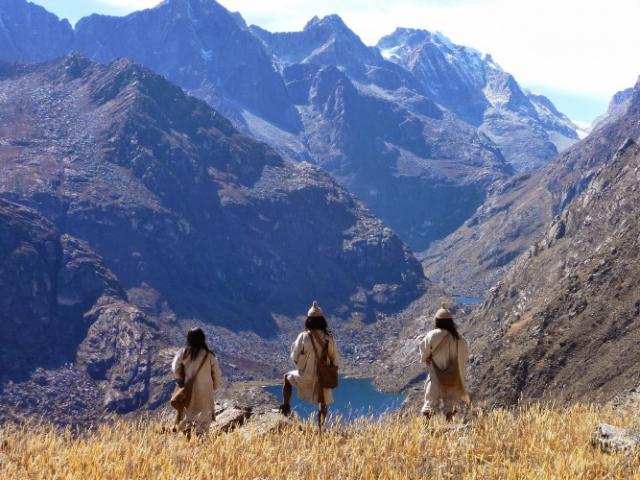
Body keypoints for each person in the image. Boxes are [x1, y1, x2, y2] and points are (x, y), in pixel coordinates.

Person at [277, 301, 340, 425]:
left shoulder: (303, 336)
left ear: (308, 320)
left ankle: (286, 407)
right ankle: (321, 428)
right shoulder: (329, 338)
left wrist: (302, 364)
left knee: (286, 378)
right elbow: (335, 359)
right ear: (322, 321)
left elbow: (294, 356)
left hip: (306, 376)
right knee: (323, 404)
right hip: (323, 378)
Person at [419, 304, 470, 422]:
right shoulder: (459, 338)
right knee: (450, 405)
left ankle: (426, 429)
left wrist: (427, 358)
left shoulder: (432, 335)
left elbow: (423, 351)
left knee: (430, 403)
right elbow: (465, 355)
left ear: (437, 321)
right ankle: (450, 428)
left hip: (436, 375)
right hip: (453, 376)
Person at [172, 327, 222, 435]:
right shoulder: (209, 356)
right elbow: (217, 375)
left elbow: (175, 369)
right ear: (202, 339)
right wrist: (213, 387)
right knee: (203, 422)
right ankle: (200, 445)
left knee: (187, 419)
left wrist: (182, 379)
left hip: (187, 392)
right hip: (205, 393)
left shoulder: (183, 353)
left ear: (189, 338)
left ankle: (187, 443)